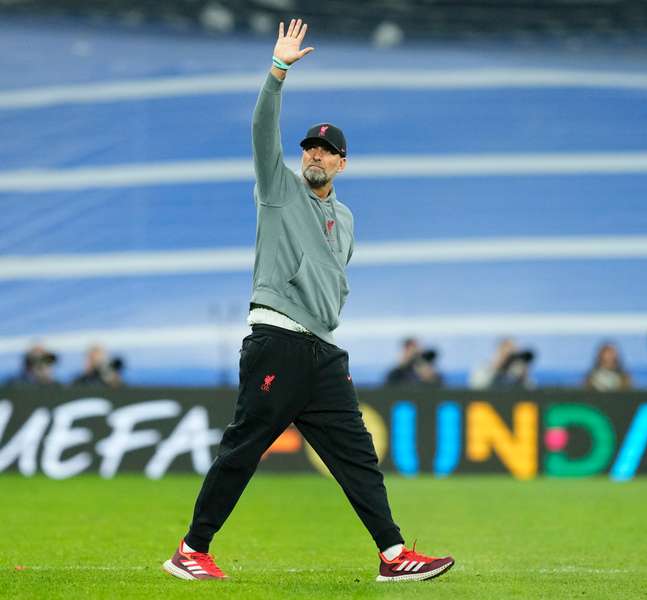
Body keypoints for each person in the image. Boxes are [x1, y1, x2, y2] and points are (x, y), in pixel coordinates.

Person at [162, 19, 453, 583]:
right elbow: (261, 131)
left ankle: (393, 556)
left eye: (327, 150)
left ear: (342, 163)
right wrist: (278, 71)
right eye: (310, 148)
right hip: (278, 339)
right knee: (245, 447)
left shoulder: (344, 217)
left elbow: (334, 277)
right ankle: (191, 550)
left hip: (322, 349)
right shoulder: (278, 189)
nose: (315, 155)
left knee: (356, 455)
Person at [469, 338, 536, 389]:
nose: (509, 360)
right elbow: (476, 387)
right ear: (498, 352)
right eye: (506, 355)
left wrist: (523, 377)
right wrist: (497, 368)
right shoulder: (483, 368)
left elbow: (532, 391)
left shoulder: (514, 373)